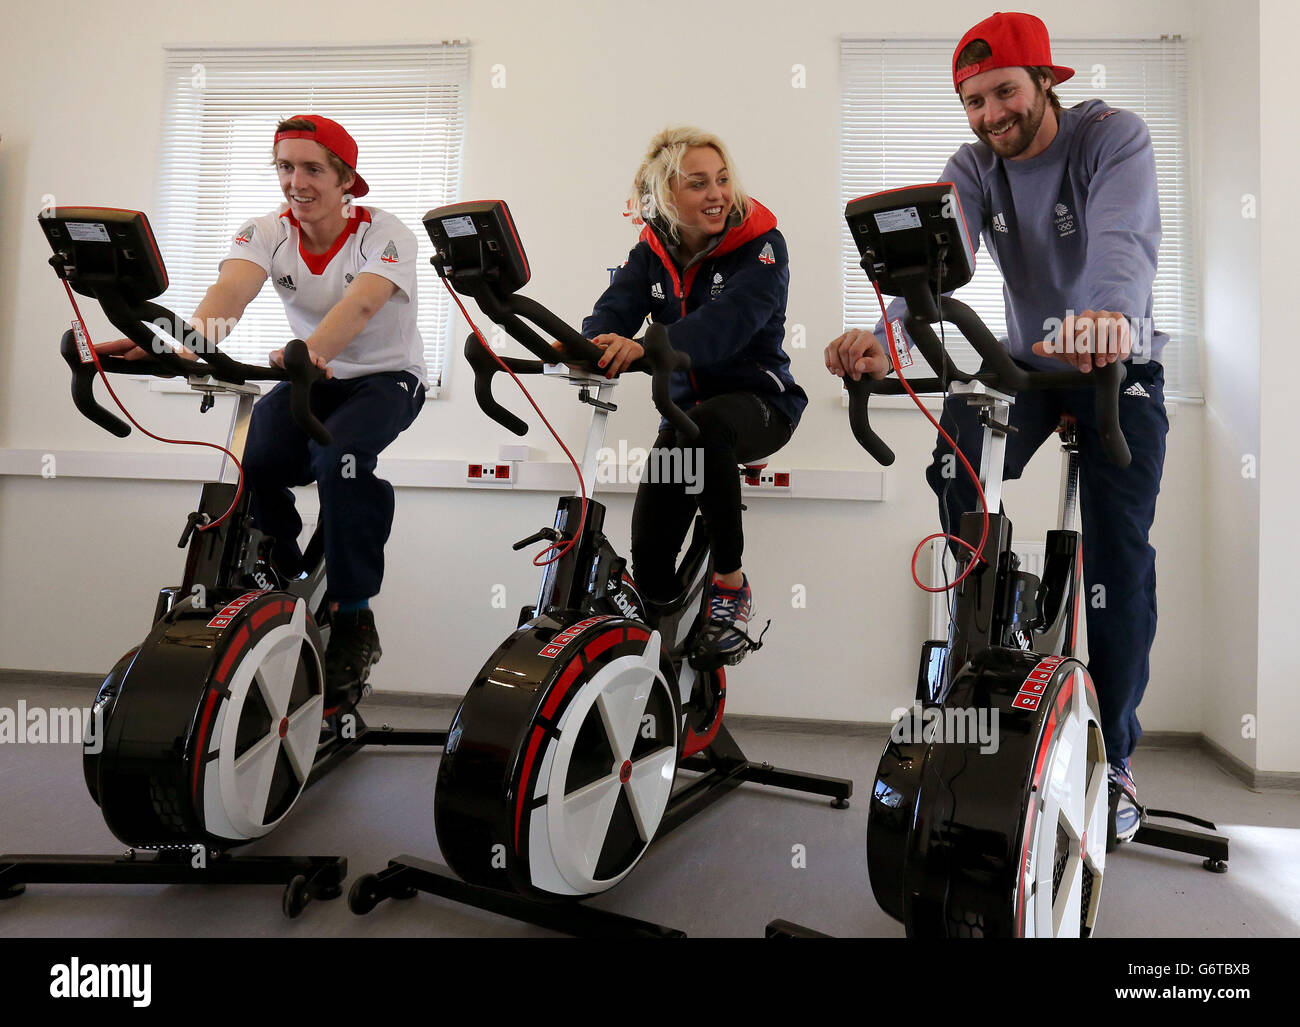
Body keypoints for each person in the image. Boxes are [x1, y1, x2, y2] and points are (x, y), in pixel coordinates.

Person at [824, 12, 1168, 842]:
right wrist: (885, 336)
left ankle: (1115, 758)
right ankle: (999, 634)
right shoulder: (973, 166)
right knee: (957, 463)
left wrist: (1111, 316)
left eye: (1004, 92)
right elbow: (937, 264)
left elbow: (1122, 238)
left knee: (1116, 559)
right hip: (1026, 366)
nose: (989, 116)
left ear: (1046, 80)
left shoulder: (1111, 137)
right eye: (972, 101)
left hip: (1117, 363)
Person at [99, 115, 426, 715]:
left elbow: (359, 304)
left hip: (385, 379)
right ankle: (287, 566)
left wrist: (314, 351)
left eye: (312, 169)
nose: (295, 181)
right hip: (306, 376)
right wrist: (168, 344)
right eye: (284, 167)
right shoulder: (265, 232)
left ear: (345, 178)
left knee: (342, 459)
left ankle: (354, 618)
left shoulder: (385, 235)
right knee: (253, 461)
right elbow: (227, 299)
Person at [578, 126, 807, 661]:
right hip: (680, 416)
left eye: (723, 180)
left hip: (762, 403)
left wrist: (643, 348)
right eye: (699, 184)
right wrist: (590, 345)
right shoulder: (653, 249)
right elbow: (617, 304)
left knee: (710, 430)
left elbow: (730, 323)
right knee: (651, 562)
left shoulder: (762, 245)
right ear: (665, 197)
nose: (718, 195)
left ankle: (731, 585)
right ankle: (659, 676)